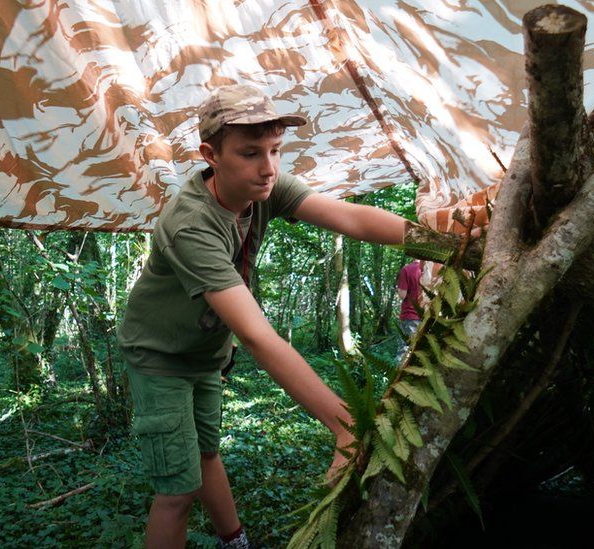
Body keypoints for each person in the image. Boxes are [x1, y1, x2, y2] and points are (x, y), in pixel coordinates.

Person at [116, 84, 410, 548]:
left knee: (208, 452)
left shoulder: (263, 186)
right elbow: (256, 335)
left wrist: (441, 240)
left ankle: (234, 541)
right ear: (210, 154)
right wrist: (343, 422)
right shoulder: (191, 222)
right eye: (251, 152)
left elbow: (350, 217)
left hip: (204, 353)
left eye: (275, 150)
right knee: (178, 489)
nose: (269, 167)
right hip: (160, 357)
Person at [395, 260, 424, 362]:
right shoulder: (431, 268)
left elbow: (402, 295)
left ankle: (398, 376)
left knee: (404, 352)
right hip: (427, 317)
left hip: (410, 316)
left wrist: (398, 289)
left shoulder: (406, 270)